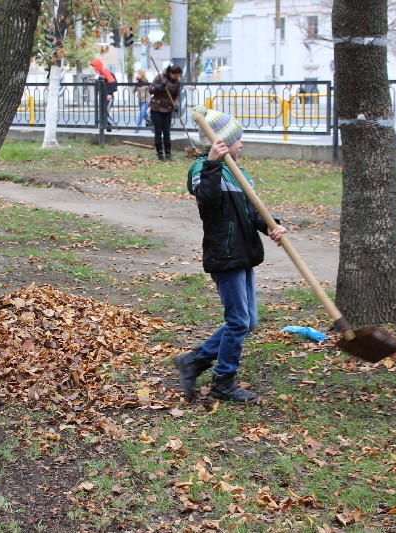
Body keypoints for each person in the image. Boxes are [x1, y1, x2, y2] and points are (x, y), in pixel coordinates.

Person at [174, 106, 287, 403]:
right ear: (222, 143)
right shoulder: (202, 169)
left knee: (247, 322)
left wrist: (270, 226)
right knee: (238, 320)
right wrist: (211, 164)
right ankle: (223, 380)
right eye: (238, 139)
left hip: (244, 252)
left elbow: (252, 211)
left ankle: (194, 361)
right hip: (224, 253)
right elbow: (207, 203)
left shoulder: (242, 174)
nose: (242, 144)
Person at [149, 64, 182, 161]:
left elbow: (177, 96)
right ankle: (160, 154)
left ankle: (168, 153)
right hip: (156, 108)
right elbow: (150, 89)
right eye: (175, 76)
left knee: (167, 132)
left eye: (178, 76)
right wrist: (159, 87)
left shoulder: (177, 82)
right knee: (158, 131)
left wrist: (176, 105)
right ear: (171, 72)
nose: (177, 78)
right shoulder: (160, 77)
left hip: (168, 109)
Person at [90, 58, 117, 132]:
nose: (93, 68)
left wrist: (109, 93)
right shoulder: (99, 72)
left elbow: (113, 82)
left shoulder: (104, 71)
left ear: (97, 66)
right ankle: (109, 129)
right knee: (104, 113)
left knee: (105, 112)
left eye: (94, 66)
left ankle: (116, 128)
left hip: (108, 96)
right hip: (103, 96)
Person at [133, 70, 150, 134]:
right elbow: (132, 91)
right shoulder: (137, 83)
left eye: (139, 74)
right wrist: (136, 83)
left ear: (142, 75)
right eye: (137, 74)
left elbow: (149, 92)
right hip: (140, 101)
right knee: (144, 114)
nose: (138, 75)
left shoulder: (146, 82)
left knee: (140, 115)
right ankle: (150, 122)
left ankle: (137, 130)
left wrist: (149, 102)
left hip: (146, 101)